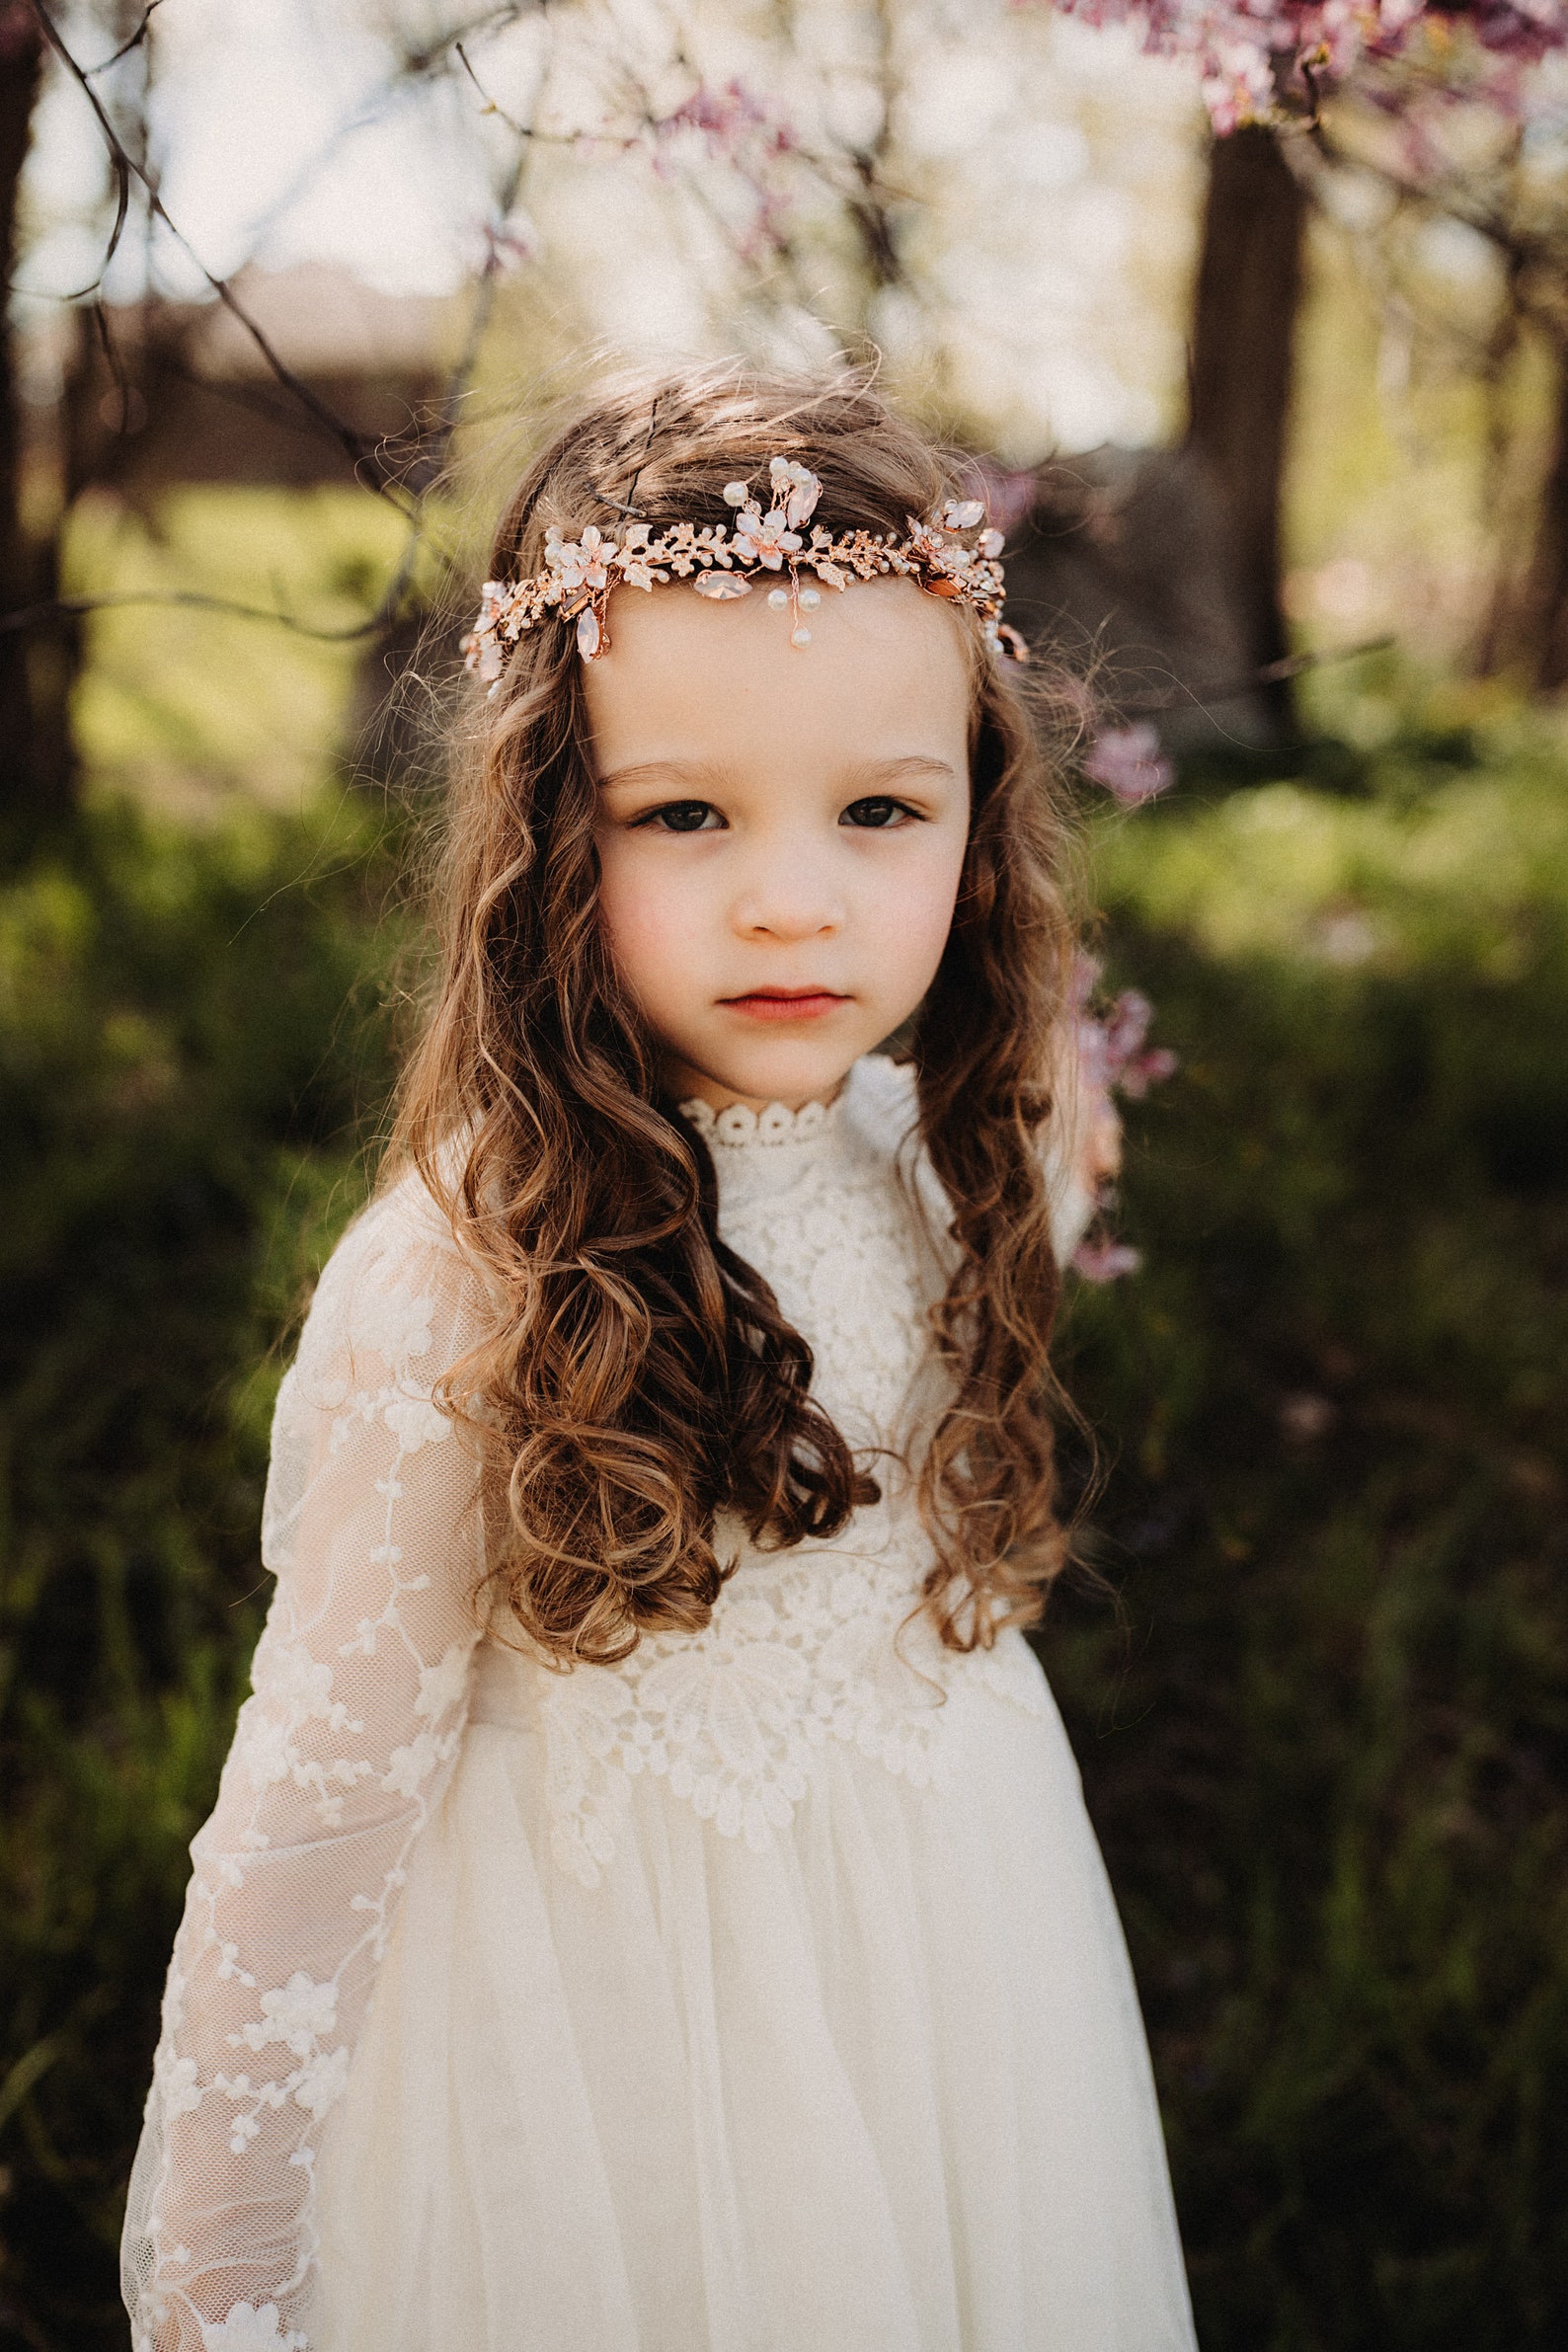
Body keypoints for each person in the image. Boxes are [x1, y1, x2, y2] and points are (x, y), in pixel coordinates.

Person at [120, 370, 1197, 2352]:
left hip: (954, 1962)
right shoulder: (460, 1280)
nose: (792, 895)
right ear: (548, 835)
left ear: (975, 818)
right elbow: (309, 1820)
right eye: (682, 813)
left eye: (878, 809)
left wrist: (1030, 1043)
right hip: (602, 2059)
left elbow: (1029, 1063)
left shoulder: (939, 1156)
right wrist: (220, 2285)